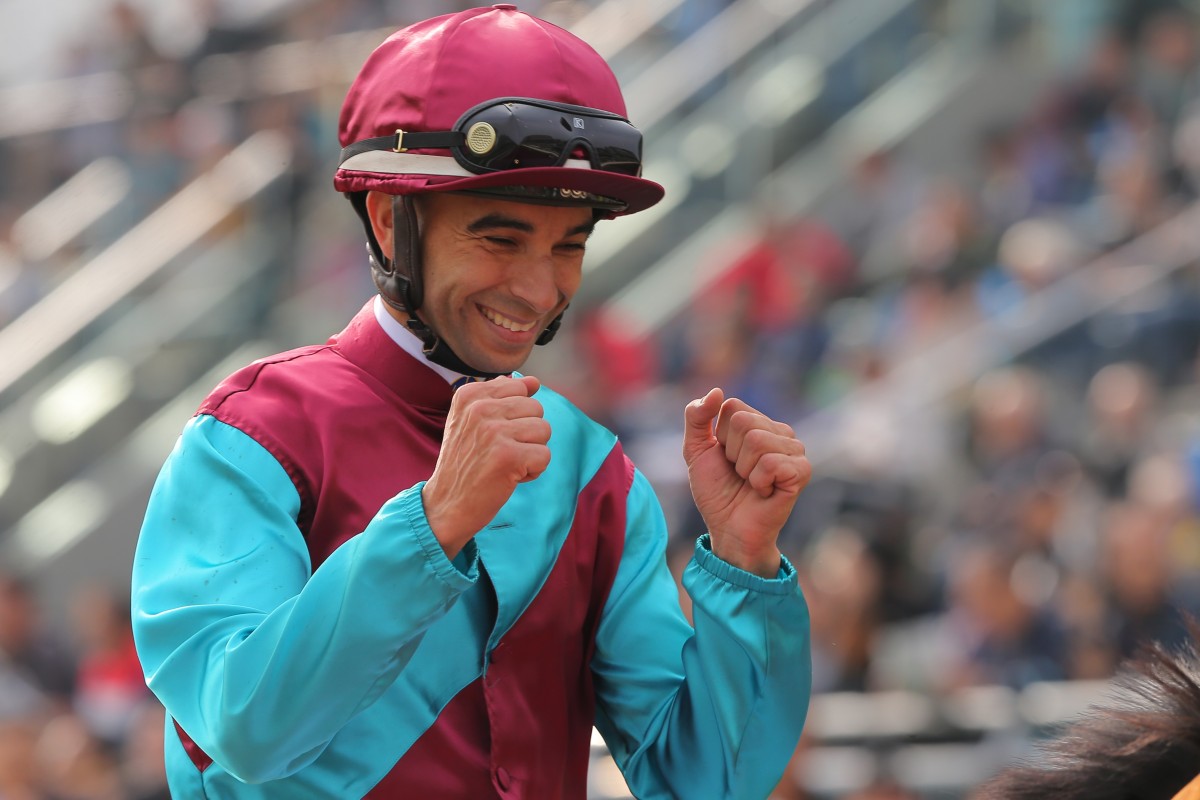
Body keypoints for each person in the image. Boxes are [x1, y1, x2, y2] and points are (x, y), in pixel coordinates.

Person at [129, 6, 813, 799]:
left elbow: (707, 783)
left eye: (569, 245)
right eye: (500, 238)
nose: (537, 288)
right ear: (391, 221)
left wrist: (745, 565)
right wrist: (433, 524)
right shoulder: (250, 437)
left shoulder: (594, 470)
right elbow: (245, 726)